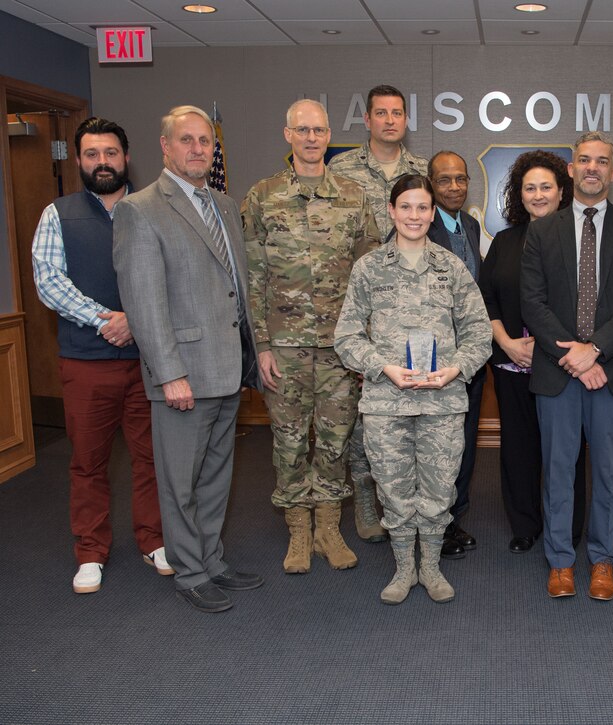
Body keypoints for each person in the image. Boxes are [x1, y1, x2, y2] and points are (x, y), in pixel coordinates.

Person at [113, 105, 264, 613]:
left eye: (205, 141)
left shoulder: (223, 204)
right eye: (187, 140)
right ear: (165, 146)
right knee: (180, 481)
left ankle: (213, 559)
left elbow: (237, 289)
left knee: (217, 475)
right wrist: (168, 372)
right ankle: (190, 571)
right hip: (183, 374)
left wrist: (253, 353)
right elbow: (143, 301)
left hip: (226, 367)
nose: (198, 149)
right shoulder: (141, 209)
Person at [334, 175, 491, 605]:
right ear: (391, 210)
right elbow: (346, 336)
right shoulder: (369, 267)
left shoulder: (451, 267)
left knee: (440, 490)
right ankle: (404, 568)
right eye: (406, 207)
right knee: (394, 491)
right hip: (387, 402)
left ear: (432, 212)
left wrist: (455, 369)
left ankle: (432, 567)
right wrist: (383, 367)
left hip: (442, 401)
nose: (415, 216)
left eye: (423, 207)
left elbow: (479, 331)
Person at [31, 116, 170, 595]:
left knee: (150, 458)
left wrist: (134, 318)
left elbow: (172, 276)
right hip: (86, 361)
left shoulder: (153, 209)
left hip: (149, 361)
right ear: (78, 160)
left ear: (126, 157)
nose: (102, 162)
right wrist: (105, 319)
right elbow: (49, 280)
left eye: (110, 153)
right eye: (92, 154)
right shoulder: (59, 213)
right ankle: (90, 551)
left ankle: (153, 540)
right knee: (88, 461)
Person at [242, 99, 380, 574]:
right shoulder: (263, 196)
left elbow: (369, 274)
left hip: (340, 347)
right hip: (284, 348)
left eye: (319, 130)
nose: (311, 137)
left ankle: (329, 528)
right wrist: (261, 346)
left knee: (336, 440)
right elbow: (254, 278)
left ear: (327, 135)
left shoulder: (353, 197)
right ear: (288, 135)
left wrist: (364, 343)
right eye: (302, 130)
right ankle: (298, 533)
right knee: (288, 439)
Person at [520, 131, 613, 601]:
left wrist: (593, 349)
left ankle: (602, 559)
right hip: (559, 373)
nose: (593, 168)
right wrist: (573, 357)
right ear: (572, 169)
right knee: (558, 470)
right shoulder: (542, 230)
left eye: (602, 161)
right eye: (584, 160)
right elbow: (532, 304)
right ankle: (561, 561)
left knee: (610, 473)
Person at [329, 84, 429, 544]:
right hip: (361, 305)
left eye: (398, 113)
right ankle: (366, 503)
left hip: (410, 312)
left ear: (406, 120)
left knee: (406, 413)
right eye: (381, 113)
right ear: (366, 120)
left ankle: (406, 504)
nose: (390, 120)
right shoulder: (341, 169)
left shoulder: (421, 171)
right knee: (361, 415)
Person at [478, 149, 589, 554]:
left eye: (546, 186)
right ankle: (524, 524)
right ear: (518, 195)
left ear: (563, 192)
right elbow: (485, 298)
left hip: (562, 366)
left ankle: (568, 525)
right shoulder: (506, 242)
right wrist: (505, 342)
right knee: (518, 448)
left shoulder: (581, 240)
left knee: (567, 452)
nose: (538, 194)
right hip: (513, 363)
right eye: (530, 187)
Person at [427, 150, 484, 559]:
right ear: (430, 184)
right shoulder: (418, 224)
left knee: (463, 444)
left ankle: (453, 519)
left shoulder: (471, 225)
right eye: (444, 179)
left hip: (471, 359)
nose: (454, 186)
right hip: (432, 360)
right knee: (434, 447)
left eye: (460, 179)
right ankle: (432, 524)